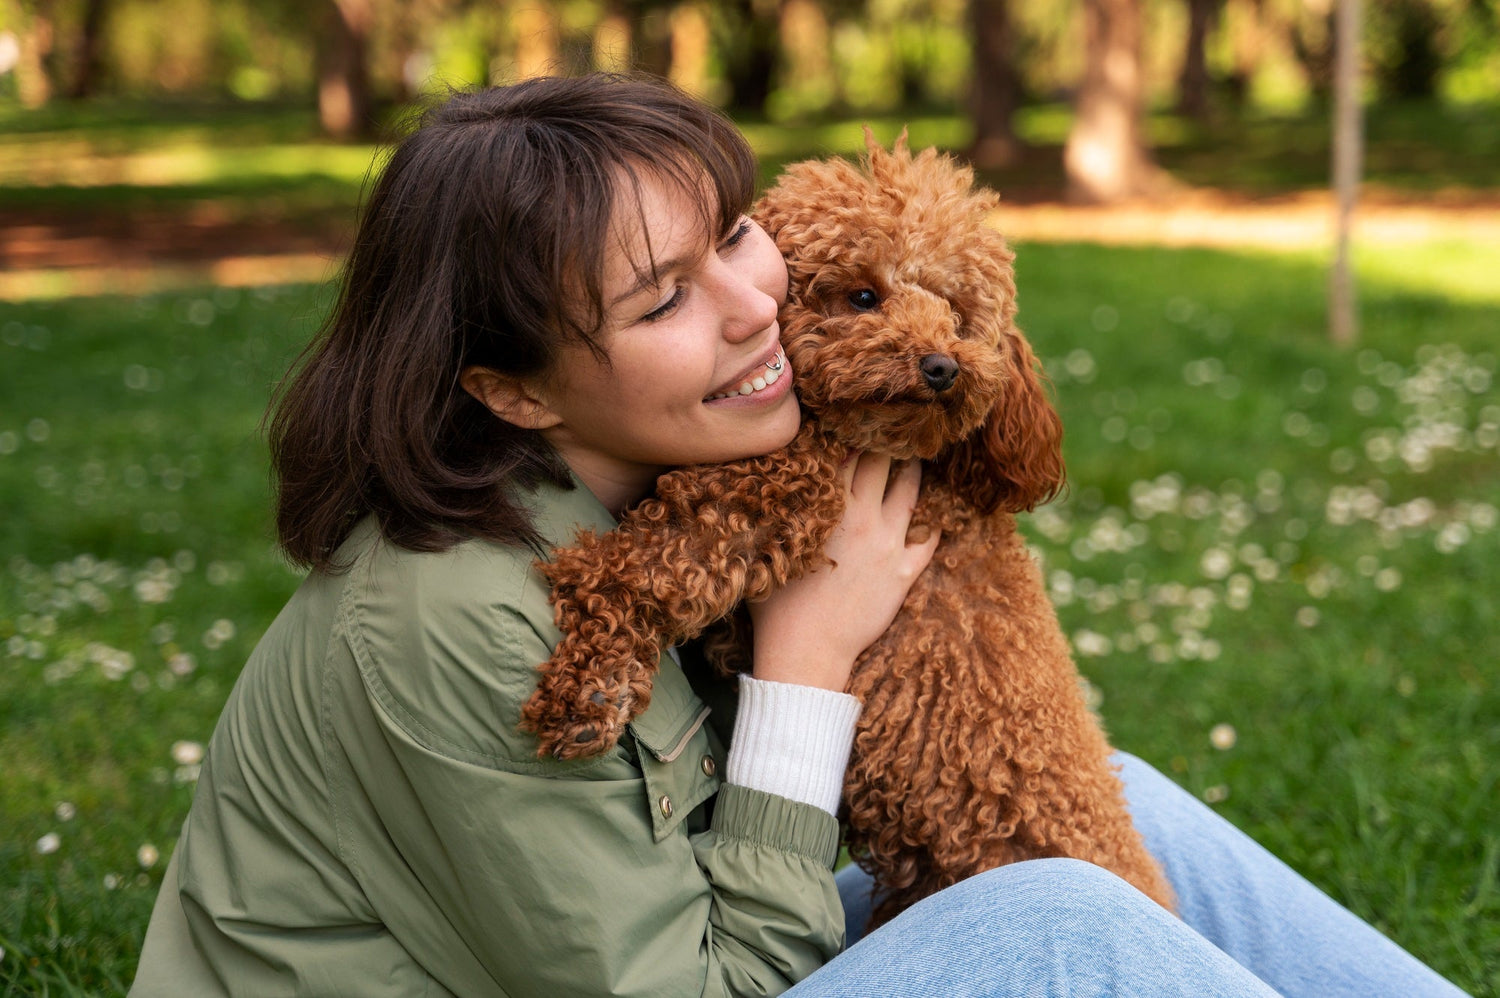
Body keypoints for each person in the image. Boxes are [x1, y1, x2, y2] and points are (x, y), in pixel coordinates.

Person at [129, 73, 1466, 998]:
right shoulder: (463, 617)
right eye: (662, 299)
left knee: (1118, 815)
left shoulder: (639, 489)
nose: (751, 305)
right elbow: (702, 987)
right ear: (515, 390)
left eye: (735, 236)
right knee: (1060, 918)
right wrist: (808, 661)